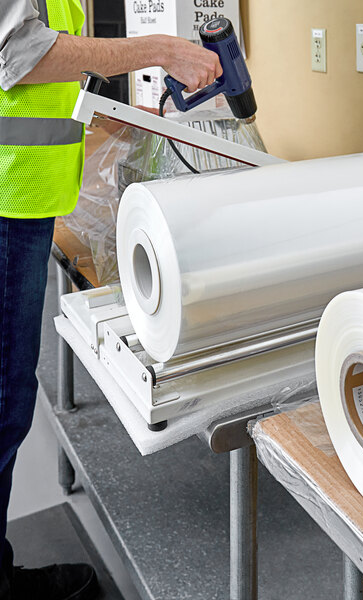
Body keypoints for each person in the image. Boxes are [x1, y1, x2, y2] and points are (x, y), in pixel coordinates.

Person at [0, 1, 222, 598]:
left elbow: (53, 67)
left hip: (24, 192)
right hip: (7, 197)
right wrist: (157, 49)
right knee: (2, 402)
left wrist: (115, 111)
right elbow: (19, 54)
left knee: (6, 398)